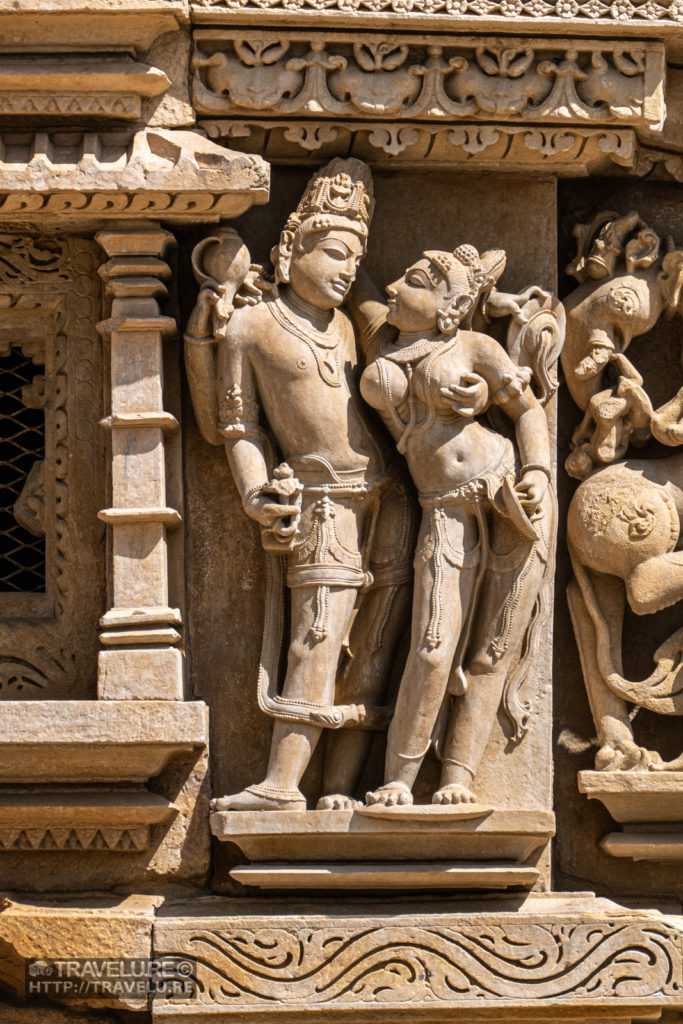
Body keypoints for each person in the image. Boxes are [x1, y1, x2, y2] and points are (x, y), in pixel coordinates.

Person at [184, 159, 414, 811]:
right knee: (316, 636)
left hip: (390, 498)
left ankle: (339, 788)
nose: (347, 269)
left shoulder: (348, 325)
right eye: (335, 253)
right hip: (320, 499)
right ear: (290, 248)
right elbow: (237, 427)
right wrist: (255, 491)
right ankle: (283, 784)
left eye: (356, 259)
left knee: (372, 644)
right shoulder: (252, 327)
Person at [352, 243, 557, 806]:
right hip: (442, 507)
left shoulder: (473, 346)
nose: (396, 288)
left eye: (415, 282)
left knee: (492, 648)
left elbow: (528, 410)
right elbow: (358, 276)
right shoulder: (381, 338)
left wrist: (538, 472)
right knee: (432, 645)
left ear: (454, 306)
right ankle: (398, 778)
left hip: (509, 494)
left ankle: (458, 777)